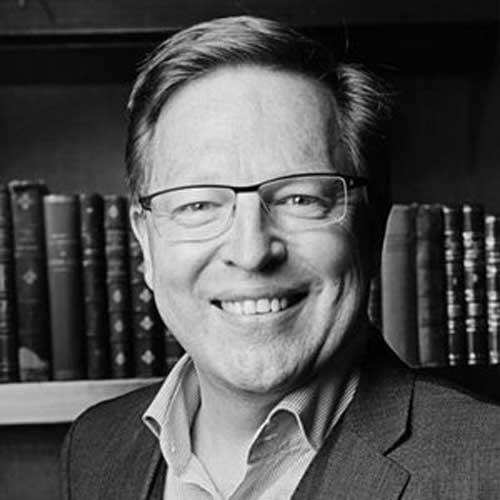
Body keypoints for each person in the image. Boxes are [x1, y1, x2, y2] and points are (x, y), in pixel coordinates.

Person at [61, 15, 500, 500]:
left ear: (371, 228)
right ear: (145, 242)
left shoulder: (487, 466)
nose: (251, 252)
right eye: (198, 205)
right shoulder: (95, 447)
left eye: (300, 198)